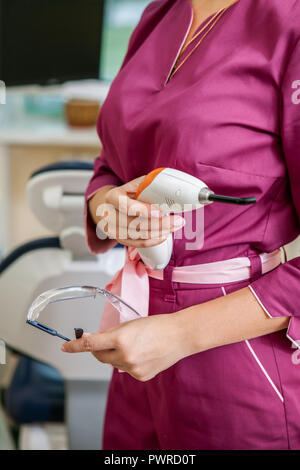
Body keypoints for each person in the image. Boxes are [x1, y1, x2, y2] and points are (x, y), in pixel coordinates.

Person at [62, 0, 300, 450]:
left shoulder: (289, 22)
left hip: (236, 361)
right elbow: (110, 163)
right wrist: (106, 205)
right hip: (138, 344)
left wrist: (180, 334)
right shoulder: (161, 13)